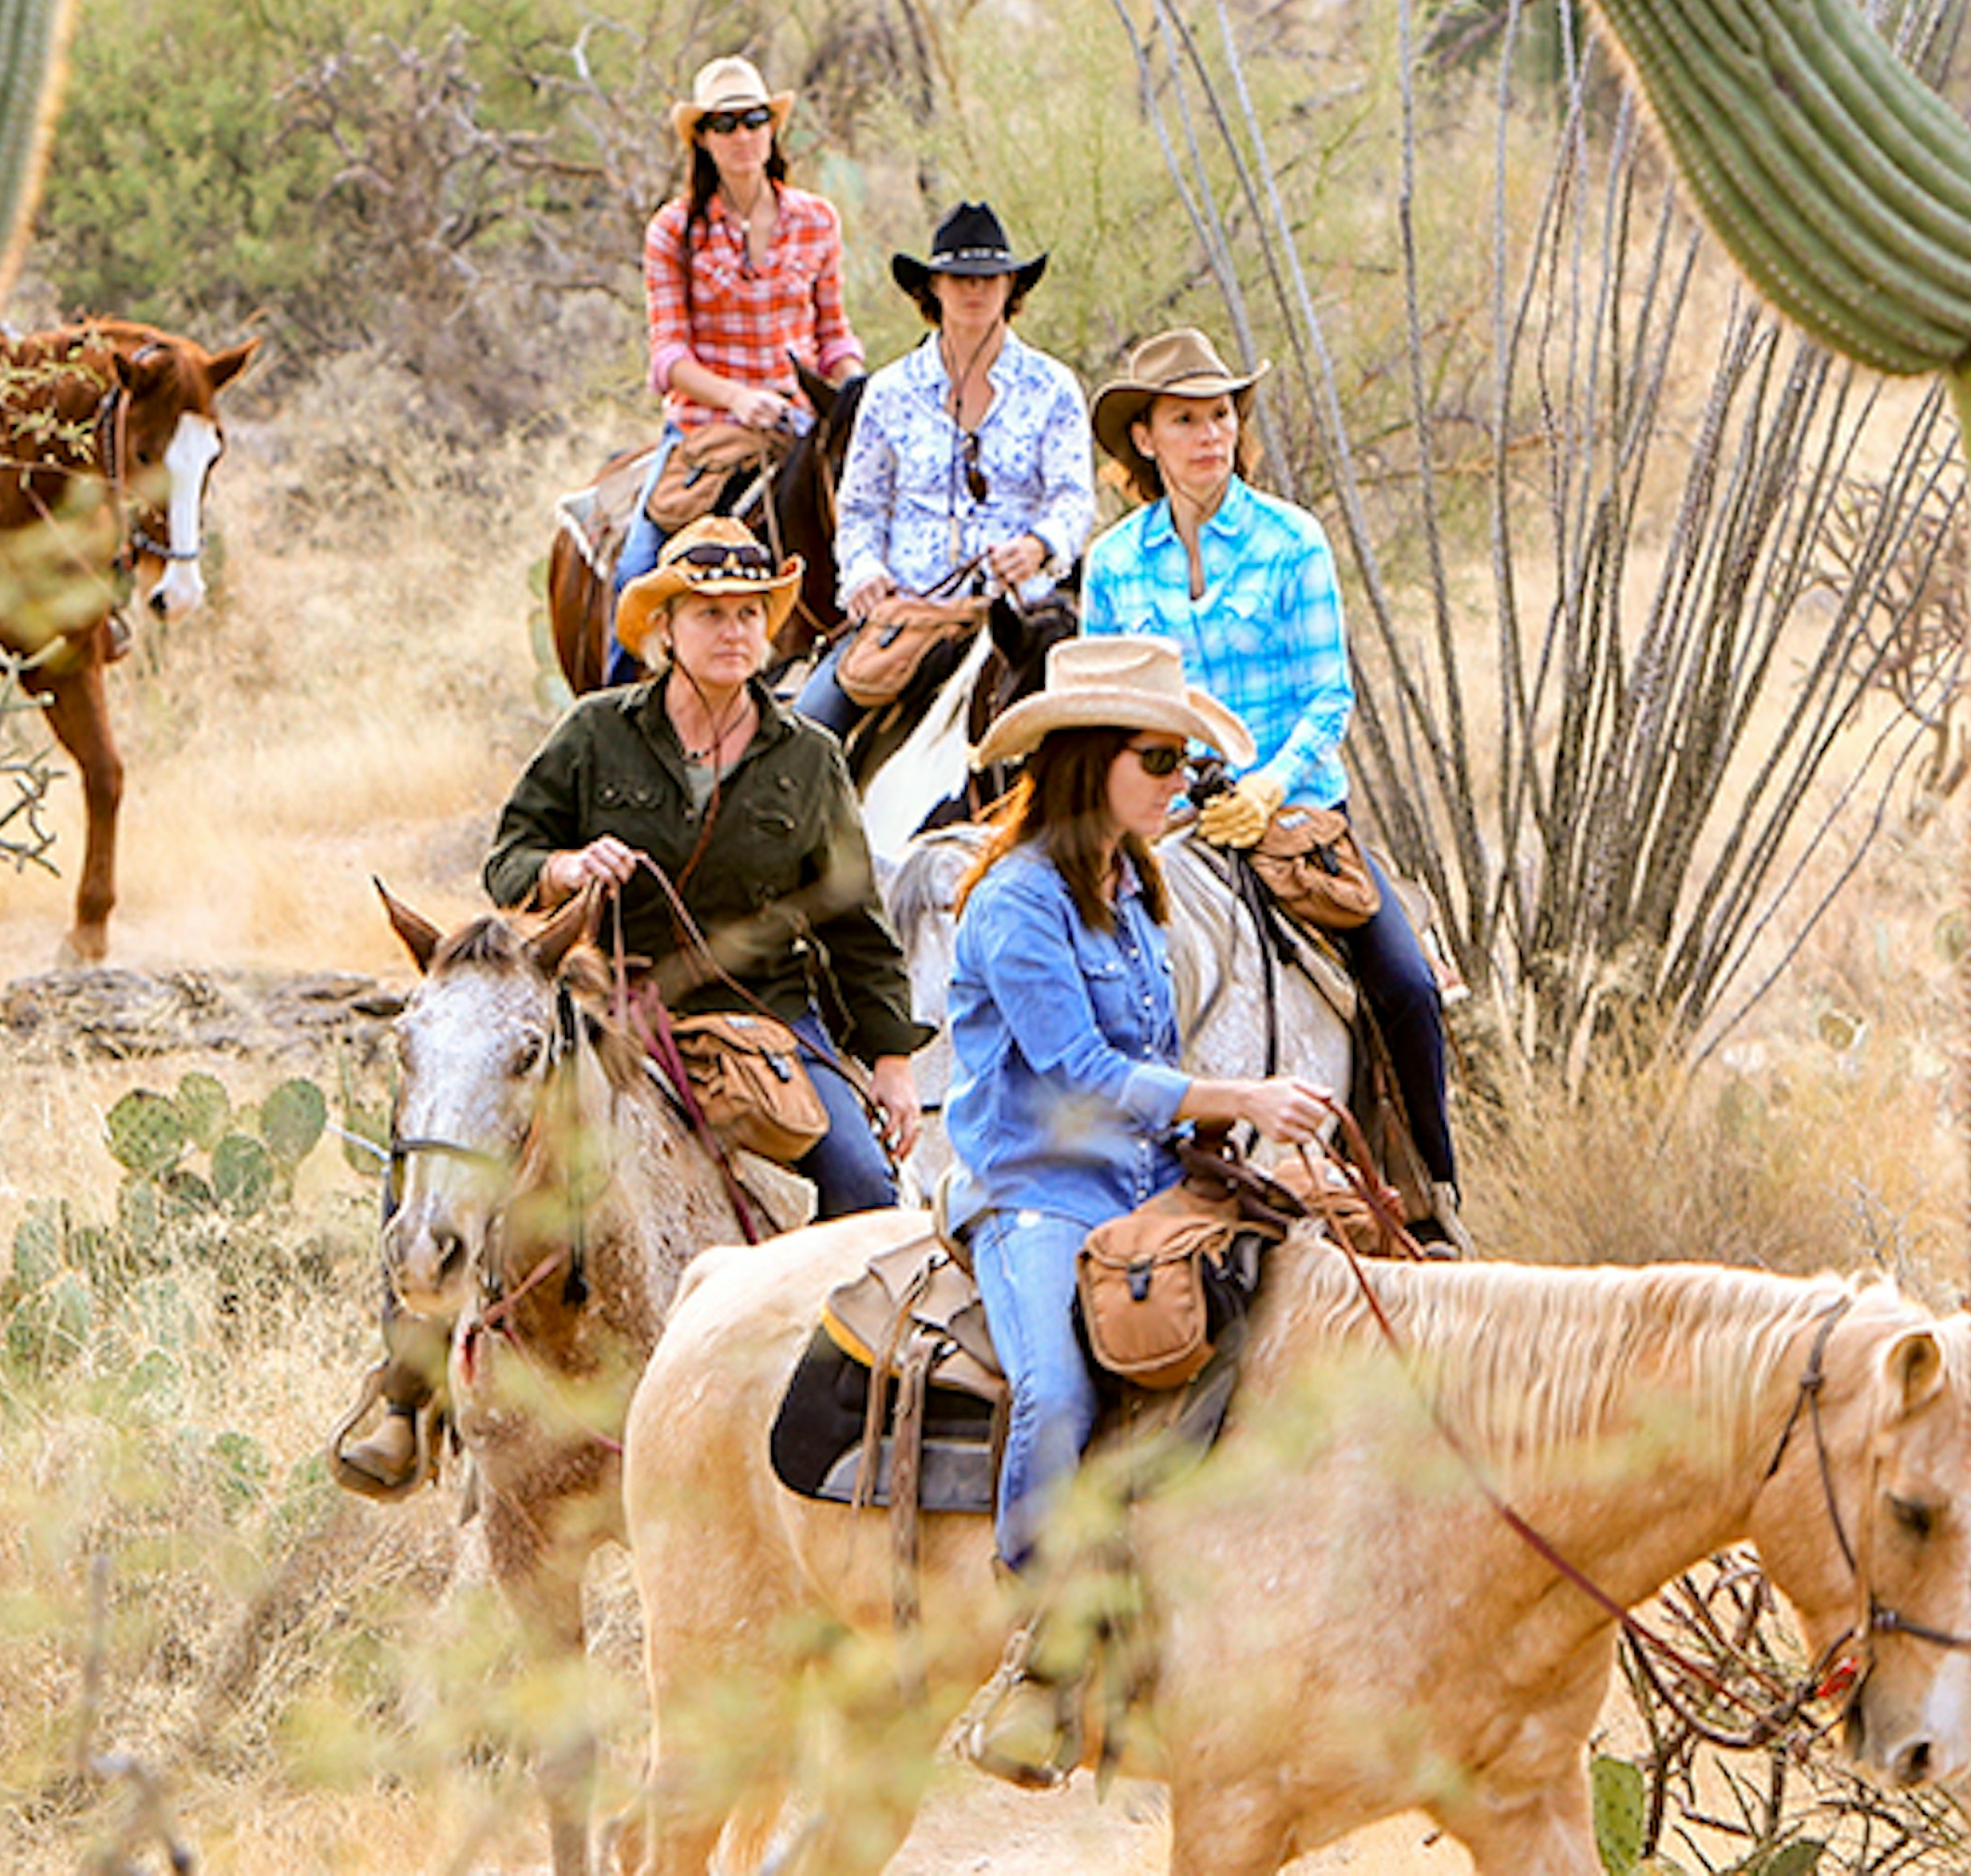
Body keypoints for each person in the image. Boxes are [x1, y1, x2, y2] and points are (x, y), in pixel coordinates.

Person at [331, 519, 927, 1498]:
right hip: (601, 994)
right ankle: (407, 1392)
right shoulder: (596, 730)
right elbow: (509, 855)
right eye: (710, 614)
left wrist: (892, 1061)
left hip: (764, 1015)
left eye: (750, 614)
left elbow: (854, 923)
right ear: (666, 625)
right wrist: (566, 866)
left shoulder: (808, 757)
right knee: (451, 1138)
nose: (734, 632)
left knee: (866, 1181)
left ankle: (843, 1415)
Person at [943, 633, 1338, 1776]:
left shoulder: (1130, 883)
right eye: (1158, 760)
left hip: (1141, 1176)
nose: (1178, 785)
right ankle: (1042, 1639)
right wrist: (1235, 1091)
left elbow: (1148, 1056)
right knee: (1058, 1387)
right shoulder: (1017, 903)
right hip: (1035, 1183)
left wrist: (1213, 1134)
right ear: (1090, 763)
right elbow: (1077, 1069)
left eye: (1182, 764)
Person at [1079, 328, 1464, 1243]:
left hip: (1293, 817)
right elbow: (1101, 705)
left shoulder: (1293, 541)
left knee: (1403, 984)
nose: (1209, 434)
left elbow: (1330, 693)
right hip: (1162, 824)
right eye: (1185, 418)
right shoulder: (1114, 563)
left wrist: (1266, 785)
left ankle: (1435, 1193)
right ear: (1147, 438)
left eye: (1221, 415)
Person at [794, 199, 1096, 738]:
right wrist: (864, 572)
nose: (974, 290)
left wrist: (1039, 545)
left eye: (989, 277)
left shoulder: (1054, 388)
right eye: (958, 278)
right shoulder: (889, 392)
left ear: (1012, 287)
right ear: (932, 288)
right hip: (910, 614)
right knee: (806, 734)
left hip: (1023, 620)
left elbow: (1074, 498)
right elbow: (860, 505)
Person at [608, 56, 866, 684]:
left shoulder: (816, 220)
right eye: (725, 125)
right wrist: (738, 398)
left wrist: (854, 388)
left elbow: (832, 333)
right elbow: (668, 356)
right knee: (637, 568)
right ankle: (611, 708)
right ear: (703, 138)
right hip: (708, 434)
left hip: (804, 424)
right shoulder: (675, 230)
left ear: (771, 129)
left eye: (754, 120)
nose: (742, 136)